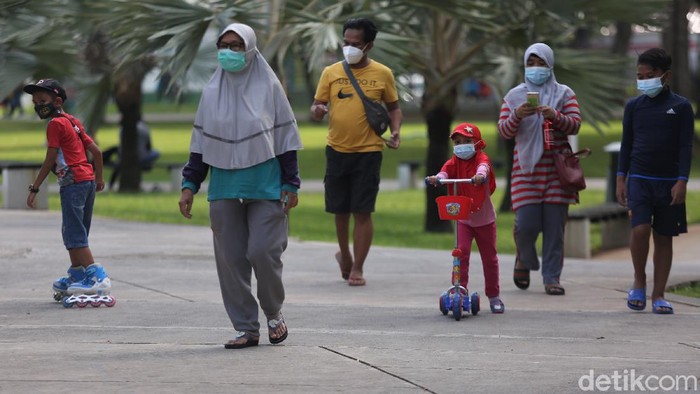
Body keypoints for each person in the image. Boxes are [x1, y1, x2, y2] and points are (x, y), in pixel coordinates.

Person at [178, 23, 302, 349]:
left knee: (263, 252)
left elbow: (286, 138)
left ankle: (274, 312)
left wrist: (291, 182)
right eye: (224, 45)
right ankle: (246, 328)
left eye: (236, 46)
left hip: (266, 184)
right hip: (223, 186)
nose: (229, 52)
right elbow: (200, 144)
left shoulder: (269, 87)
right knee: (231, 261)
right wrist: (190, 184)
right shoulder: (211, 91)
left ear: (249, 49)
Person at [310, 17, 402, 286]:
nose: (349, 48)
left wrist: (396, 132)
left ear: (369, 46)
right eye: (346, 42)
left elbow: (394, 108)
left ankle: (358, 268)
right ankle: (346, 255)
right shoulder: (331, 72)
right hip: (336, 149)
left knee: (363, 210)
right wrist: (317, 111)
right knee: (340, 210)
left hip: (369, 151)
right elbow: (316, 108)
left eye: (356, 44)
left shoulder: (383, 74)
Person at [497, 43, 582, 296]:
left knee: (555, 227)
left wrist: (554, 115)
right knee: (526, 225)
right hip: (526, 169)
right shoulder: (514, 96)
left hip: (557, 169)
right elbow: (504, 131)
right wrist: (518, 115)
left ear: (550, 65)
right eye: (531, 63)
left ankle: (551, 278)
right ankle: (524, 258)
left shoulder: (564, 94)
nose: (536, 68)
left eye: (541, 63)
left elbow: (575, 125)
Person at [616, 48, 694, 315]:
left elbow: (685, 147)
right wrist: (620, 178)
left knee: (664, 237)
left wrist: (682, 180)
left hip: (669, 181)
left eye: (651, 75)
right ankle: (639, 280)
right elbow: (626, 145)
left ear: (666, 76)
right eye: (640, 76)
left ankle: (659, 294)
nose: (644, 80)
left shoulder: (681, 107)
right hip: (639, 178)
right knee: (639, 229)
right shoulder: (634, 107)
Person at [23, 79, 111, 301]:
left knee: (73, 233)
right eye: (35, 102)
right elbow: (97, 152)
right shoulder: (72, 121)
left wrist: (35, 187)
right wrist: (98, 178)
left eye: (42, 101)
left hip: (73, 183)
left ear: (58, 101)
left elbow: (50, 158)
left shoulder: (54, 124)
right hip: (86, 181)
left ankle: (97, 277)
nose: (38, 106)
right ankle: (77, 274)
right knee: (73, 231)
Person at [426, 123, 504, 313]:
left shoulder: (481, 158)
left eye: (467, 141)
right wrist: (438, 177)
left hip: (485, 220)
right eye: (458, 142)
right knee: (461, 253)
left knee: (489, 258)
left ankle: (493, 295)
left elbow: (484, 168)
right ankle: (459, 291)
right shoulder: (455, 161)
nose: (462, 146)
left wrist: (479, 176)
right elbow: (445, 171)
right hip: (463, 218)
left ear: (476, 142)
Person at [102, 120, 161, 189]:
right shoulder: (145, 128)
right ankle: (146, 166)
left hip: (124, 157)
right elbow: (148, 146)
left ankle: (111, 186)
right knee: (156, 152)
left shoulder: (123, 128)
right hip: (141, 157)